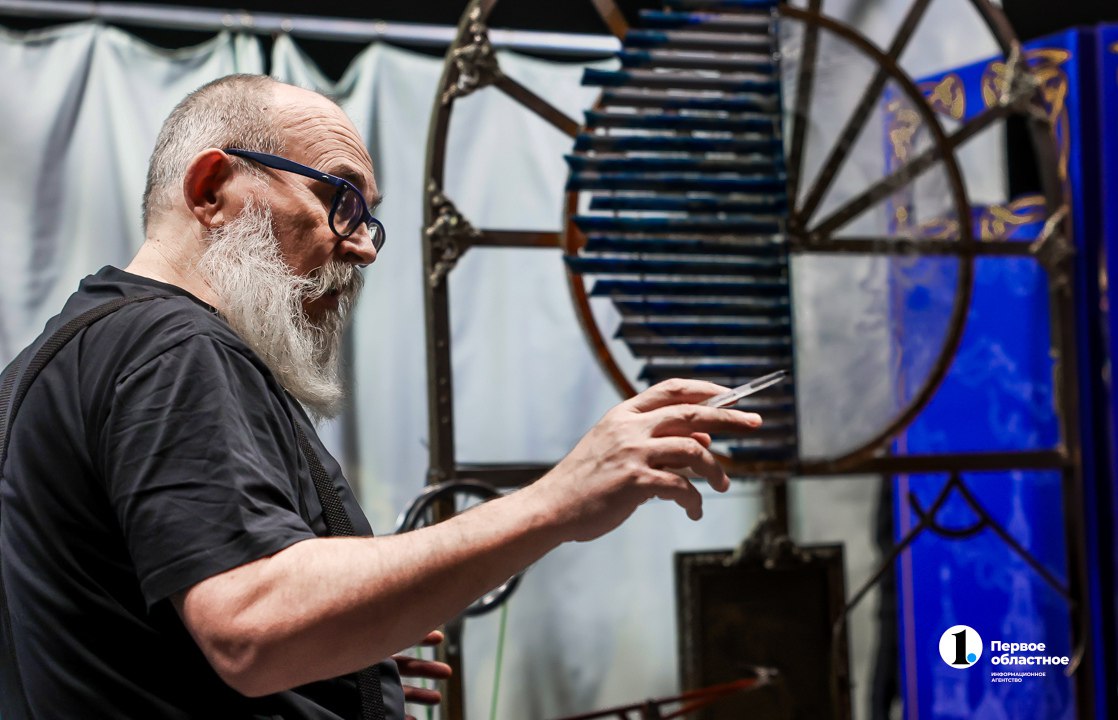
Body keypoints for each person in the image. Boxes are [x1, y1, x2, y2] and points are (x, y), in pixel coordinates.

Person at [0, 74, 762, 719]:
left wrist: (341, 649)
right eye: (339, 199)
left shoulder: (62, 358)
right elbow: (251, 626)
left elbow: (127, 629)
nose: (363, 246)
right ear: (212, 190)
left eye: (369, 218)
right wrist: (556, 502)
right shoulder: (171, 349)